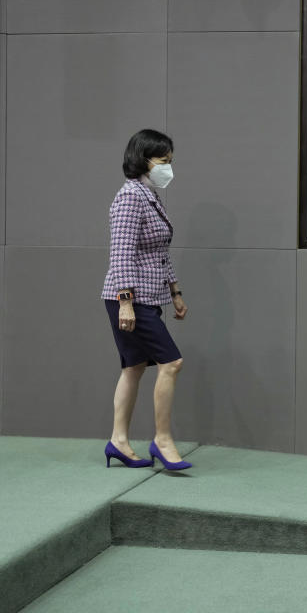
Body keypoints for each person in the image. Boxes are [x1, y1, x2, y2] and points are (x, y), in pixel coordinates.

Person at [101, 129, 192, 471]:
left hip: (147, 297)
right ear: (143, 160)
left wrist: (175, 292)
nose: (168, 168)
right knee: (171, 363)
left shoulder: (149, 195)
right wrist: (125, 301)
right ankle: (162, 440)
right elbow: (121, 253)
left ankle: (118, 442)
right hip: (129, 298)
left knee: (133, 368)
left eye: (170, 161)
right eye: (163, 161)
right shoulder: (130, 197)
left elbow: (158, 252)